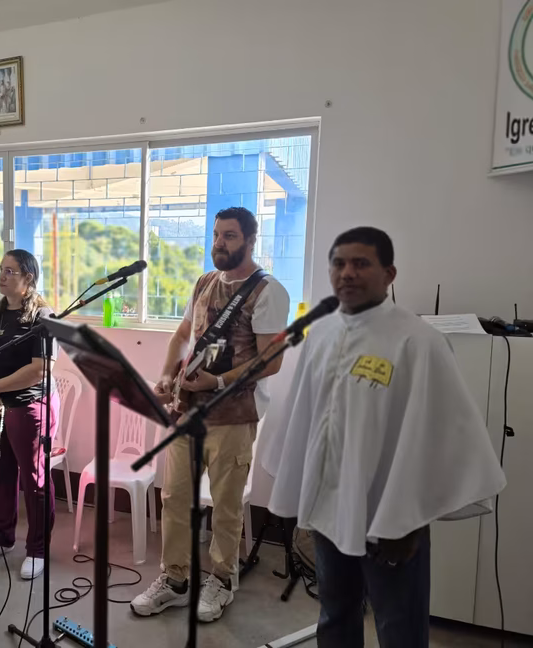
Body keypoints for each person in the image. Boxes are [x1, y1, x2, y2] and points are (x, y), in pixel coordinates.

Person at [264, 227, 506, 647]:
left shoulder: (419, 341)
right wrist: (298, 488)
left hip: (390, 516)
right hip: (329, 507)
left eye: (361, 263)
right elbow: (305, 419)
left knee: (399, 626)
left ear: (389, 274)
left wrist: (408, 521)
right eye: (339, 263)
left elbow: (438, 435)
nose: (347, 273)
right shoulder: (321, 334)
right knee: (335, 613)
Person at [131, 207, 290, 622]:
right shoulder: (204, 282)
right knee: (174, 498)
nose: (219, 243)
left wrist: (217, 382)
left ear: (250, 240)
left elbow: (271, 360)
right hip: (187, 411)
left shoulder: (268, 291)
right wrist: (168, 376)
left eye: (230, 236)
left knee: (226, 505)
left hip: (234, 417)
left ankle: (221, 581)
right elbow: (182, 335)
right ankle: (175, 579)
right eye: (217, 235)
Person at [0, 249, 59, 581]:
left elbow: (40, 369)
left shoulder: (43, 316)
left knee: (34, 478)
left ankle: (37, 548)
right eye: (1, 269)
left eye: (10, 271)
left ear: (28, 278)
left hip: (29, 406)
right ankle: (1, 538)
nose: (1, 276)